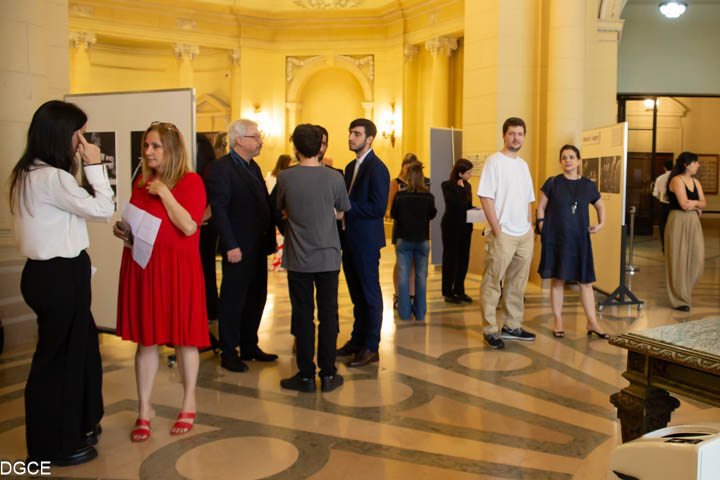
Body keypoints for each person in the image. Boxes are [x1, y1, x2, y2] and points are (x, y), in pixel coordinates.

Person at [11, 100, 113, 465]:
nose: (82, 140)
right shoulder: (52, 178)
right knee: (58, 361)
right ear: (61, 134)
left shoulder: (27, 172)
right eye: (78, 133)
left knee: (82, 350)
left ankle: (81, 422)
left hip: (49, 274)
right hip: (59, 276)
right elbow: (103, 208)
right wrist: (95, 165)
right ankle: (52, 446)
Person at [114, 122, 209, 442]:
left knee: (184, 339)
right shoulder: (142, 182)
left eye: (155, 146)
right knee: (146, 339)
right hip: (146, 266)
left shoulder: (191, 181)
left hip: (179, 269)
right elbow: (141, 223)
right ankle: (144, 409)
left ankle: (189, 402)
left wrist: (165, 193)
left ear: (172, 150)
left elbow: (189, 226)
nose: (148, 152)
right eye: (146, 146)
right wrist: (125, 231)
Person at [276, 124, 351, 392]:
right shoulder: (334, 177)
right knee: (329, 315)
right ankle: (328, 374)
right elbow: (342, 212)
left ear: (295, 147)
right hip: (328, 256)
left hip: (299, 258)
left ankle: (306, 376)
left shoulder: (285, 177)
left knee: (303, 315)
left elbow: (279, 208)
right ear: (320, 147)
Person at [205, 119, 279, 372]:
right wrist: (230, 245)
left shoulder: (253, 166)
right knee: (233, 300)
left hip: (258, 245)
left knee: (256, 297)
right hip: (238, 247)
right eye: (255, 137)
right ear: (239, 140)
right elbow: (220, 209)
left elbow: (263, 203)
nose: (260, 141)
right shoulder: (221, 168)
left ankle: (249, 345)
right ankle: (229, 351)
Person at [536, 145, 608, 339]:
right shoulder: (553, 182)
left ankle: (592, 322)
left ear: (578, 161)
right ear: (560, 161)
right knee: (557, 280)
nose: (567, 160)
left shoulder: (588, 185)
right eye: (564, 157)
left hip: (579, 239)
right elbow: (540, 207)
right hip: (556, 239)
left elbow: (600, 205)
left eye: (571, 157)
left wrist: (601, 223)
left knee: (585, 282)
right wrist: (543, 226)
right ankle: (558, 320)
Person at [477, 117, 536, 350]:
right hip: (502, 233)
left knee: (517, 283)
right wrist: (497, 229)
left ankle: (512, 325)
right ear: (504, 135)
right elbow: (485, 197)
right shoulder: (494, 162)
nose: (516, 138)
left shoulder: (523, 165)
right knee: (493, 282)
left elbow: (528, 199)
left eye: (520, 134)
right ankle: (490, 328)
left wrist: (529, 227)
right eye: (512, 133)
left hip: (524, 234)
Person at [336, 118, 390, 367]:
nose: (351, 138)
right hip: (349, 239)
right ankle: (357, 341)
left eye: (356, 134)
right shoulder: (350, 167)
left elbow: (378, 208)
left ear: (369, 139)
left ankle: (371, 346)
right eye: (350, 133)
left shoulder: (377, 168)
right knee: (357, 295)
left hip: (366, 242)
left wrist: (345, 208)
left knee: (370, 294)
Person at [391, 163, 436, 321]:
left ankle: (404, 313)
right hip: (422, 240)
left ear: (408, 179)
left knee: (403, 276)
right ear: (422, 178)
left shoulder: (400, 196)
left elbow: (393, 214)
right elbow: (432, 214)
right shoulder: (428, 197)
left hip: (404, 240)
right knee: (421, 277)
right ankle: (420, 313)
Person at [665, 152, 706, 312]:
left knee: (697, 259)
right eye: (695, 162)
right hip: (678, 220)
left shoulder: (696, 182)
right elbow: (683, 204)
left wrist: (695, 203)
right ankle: (680, 299)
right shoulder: (676, 180)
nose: (698, 165)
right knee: (678, 259)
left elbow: (704, 203)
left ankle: (685, 292)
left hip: (693, 222)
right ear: (686, 164)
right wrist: (697, 205)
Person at [387, 153, 420, 309]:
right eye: (408, 167)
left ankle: (411, 295)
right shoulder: (396, 183)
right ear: (403, 167)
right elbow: (390, 208)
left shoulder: (419, 184)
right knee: (401, 262)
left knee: (413, 263)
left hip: (416, 229)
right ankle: (398, 294)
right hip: (401, 228)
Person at [441, 158, 474, 304]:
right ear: (460, 173)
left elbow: (467, 206)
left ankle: (459, 290)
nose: (471, 175)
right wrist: (460, 188)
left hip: (465, 227)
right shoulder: (447, 185)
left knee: (463, 259)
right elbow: (453, 203)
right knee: (450, 259)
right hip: (451, 227)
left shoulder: (468, 186)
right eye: (468, 173)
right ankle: (448, 292)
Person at [196, 133, 219, 323]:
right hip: (202, 223)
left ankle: (208, 309)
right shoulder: (209, 168)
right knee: (205, 266)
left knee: (204, 266)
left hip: (204, 223)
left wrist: (197, 219)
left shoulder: (210, 169)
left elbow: (214, 199)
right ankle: (208, 308)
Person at [266, 154, 292, 271]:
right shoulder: (285, 176)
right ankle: (280, 263)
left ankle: (278, 263)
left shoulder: (270, 175)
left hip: (274, 208)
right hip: (281, 207)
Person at [652, 159, 674, 253]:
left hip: (663, 205)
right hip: (674, 206)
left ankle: (664, 246)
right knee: (674, 226)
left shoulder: (660, 178)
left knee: (663, 226)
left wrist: (661, 198)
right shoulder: (676, 177)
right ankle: (673, 246)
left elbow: (655, 194)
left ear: (664, 168)